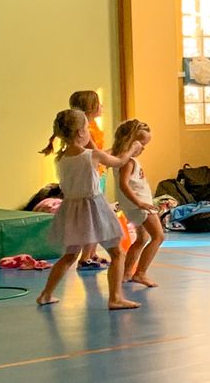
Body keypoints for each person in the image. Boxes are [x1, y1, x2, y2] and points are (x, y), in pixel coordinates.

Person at [36, 109, 137, 309]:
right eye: (87, 129)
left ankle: (46, 294)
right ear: (81, 133)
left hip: (71, 209)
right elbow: (119, 161)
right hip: (93, 207)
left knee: (70, 255)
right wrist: (132, 148)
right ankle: (115, 297)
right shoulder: (92, 156)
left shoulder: (61, 158)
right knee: (117, 252)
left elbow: (98, 156)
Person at [111, 118, 162, 289]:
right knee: (158, 236)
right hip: (140, 207)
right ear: (131, 142)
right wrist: (140, 203)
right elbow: (123, 185)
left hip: (135, 206)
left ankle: (127, 273)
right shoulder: (128, 162)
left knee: (142, 238)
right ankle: (140, 273)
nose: (143, 148)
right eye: (142, 144)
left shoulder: (120, 160)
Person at [68, 89, 110, 269]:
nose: (102, 106)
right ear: (91, 107)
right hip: (91, 176)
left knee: (96, 214)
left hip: (97, 173)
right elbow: (94, 152)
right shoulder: (86, 129)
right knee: (94, 217)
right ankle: (85, 257)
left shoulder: (93, 126)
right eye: (98, 103)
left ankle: (91, 253)